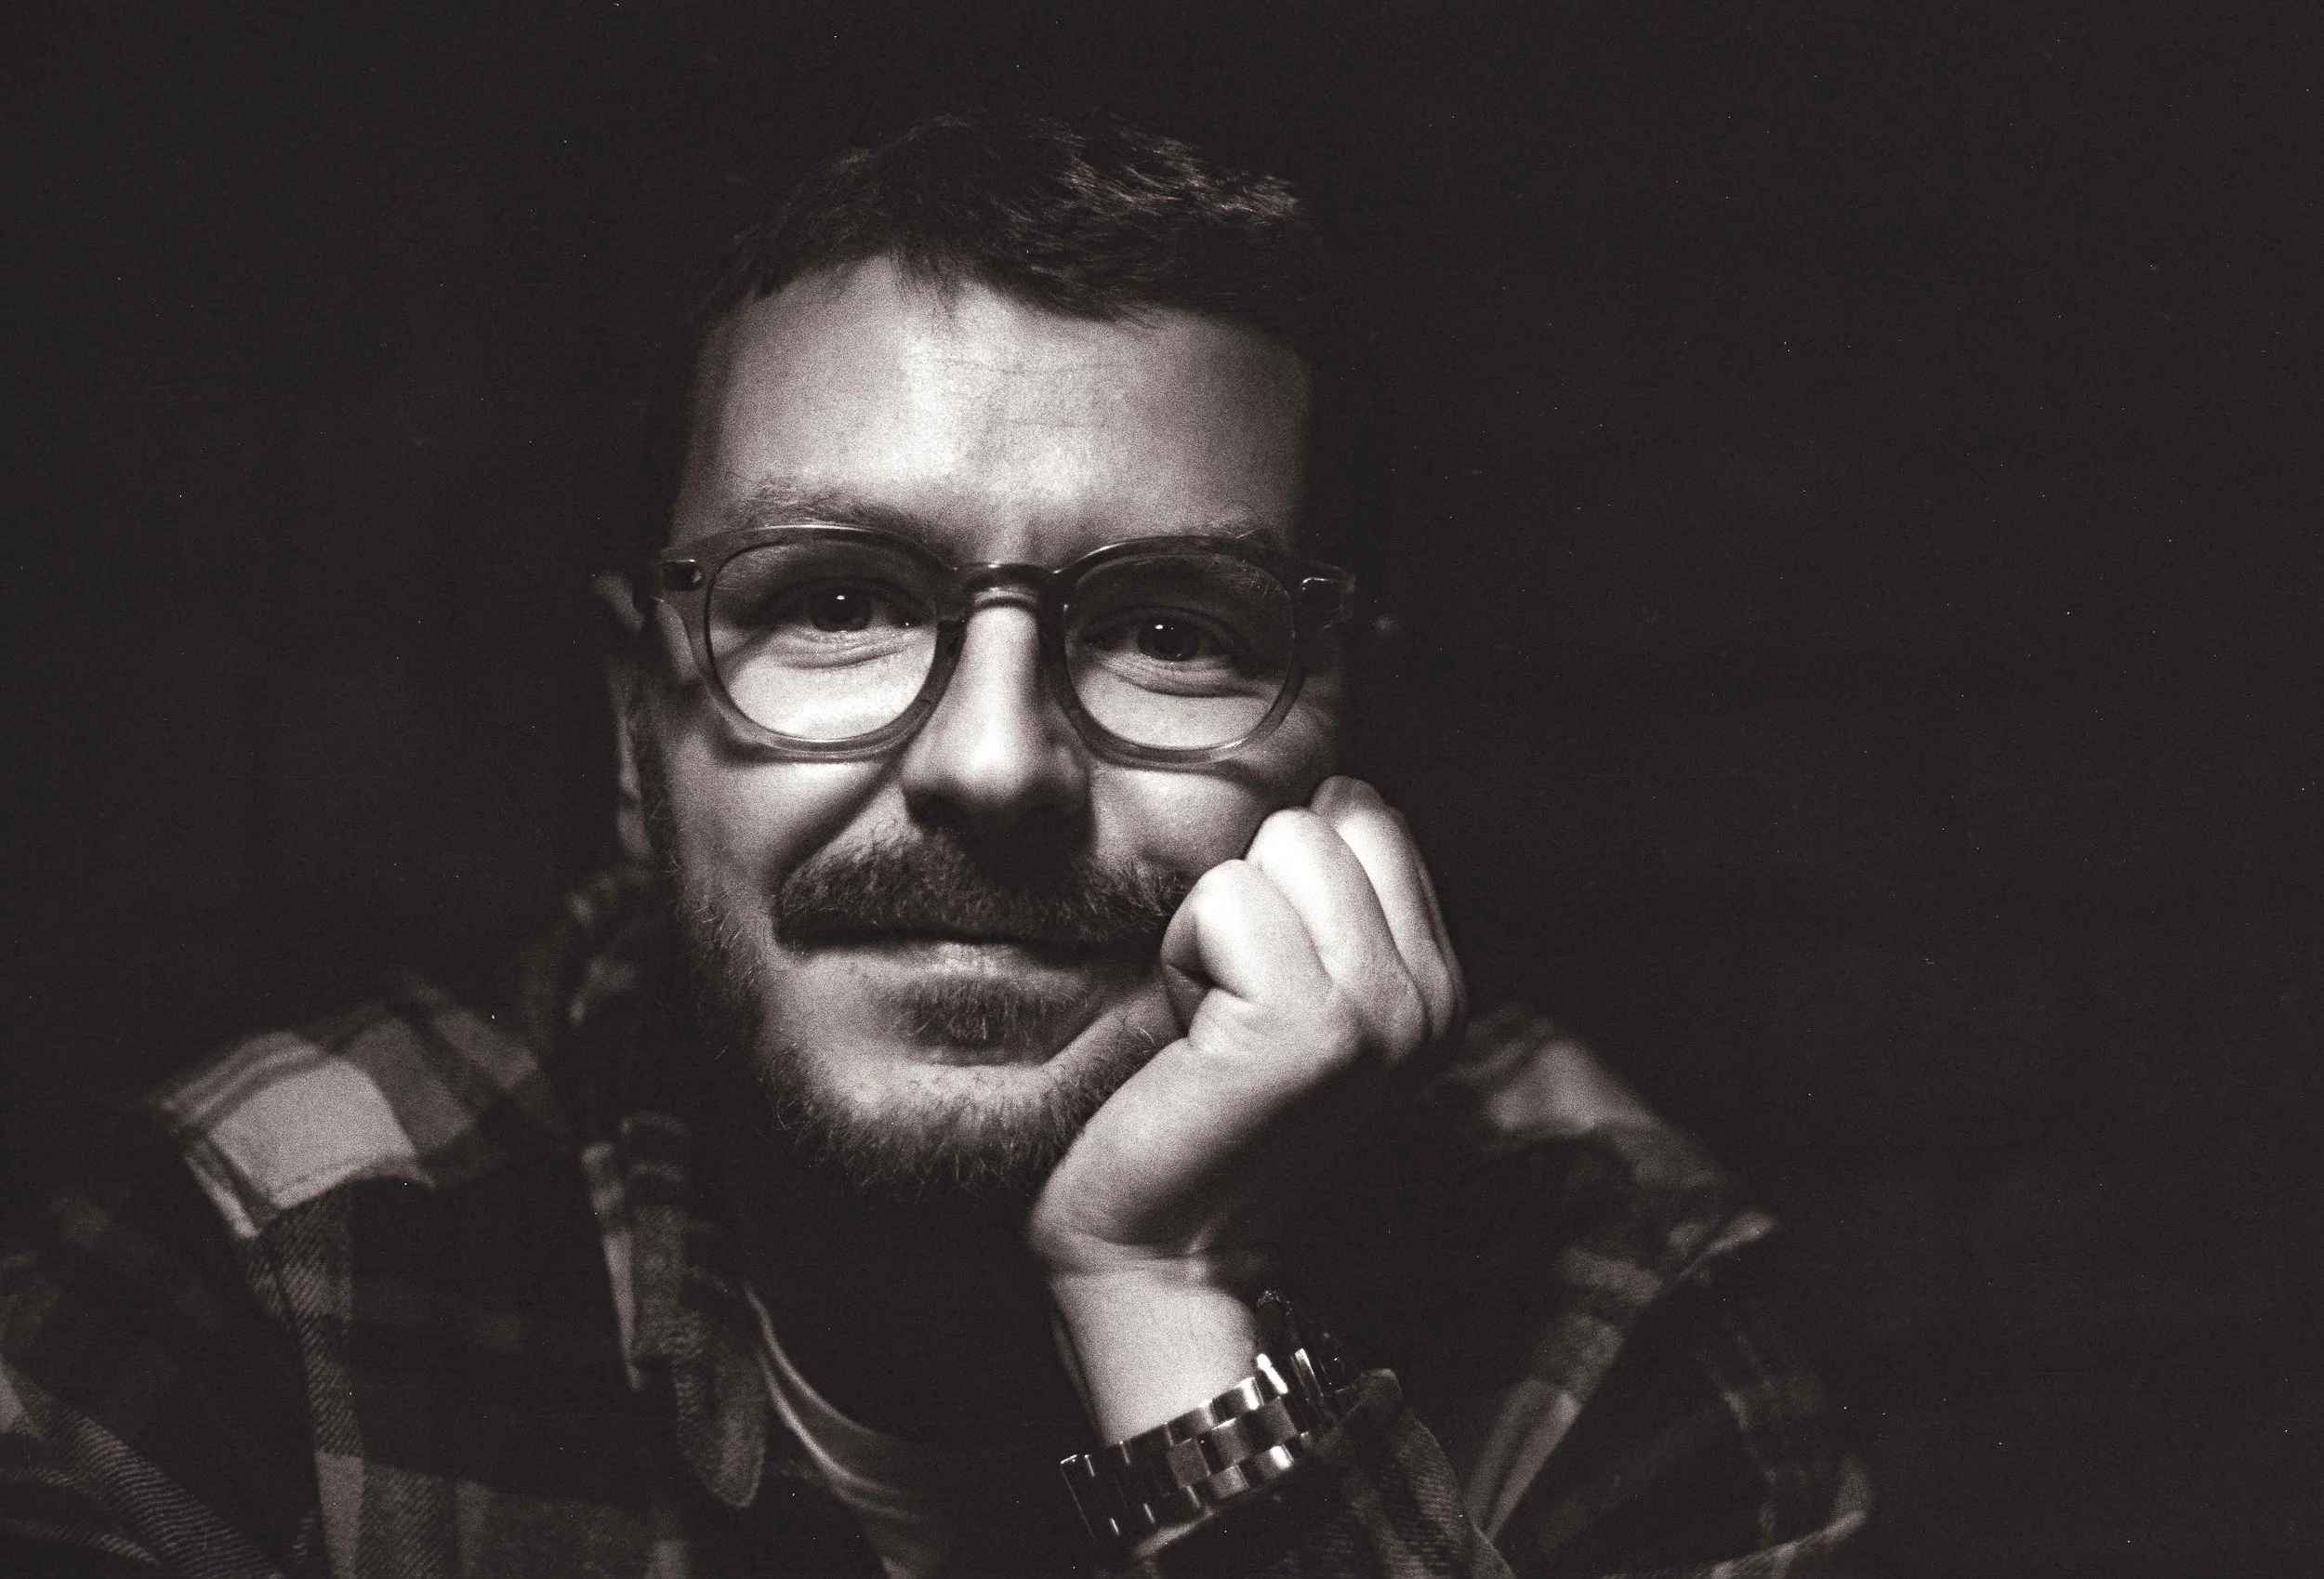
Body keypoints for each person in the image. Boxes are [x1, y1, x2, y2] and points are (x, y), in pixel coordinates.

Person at [0, 112, 1868, 1578]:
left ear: (1341, 739)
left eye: (1166, 627)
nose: (991, 762)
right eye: (834, 599)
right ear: (635, 739)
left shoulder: (1603, 1299)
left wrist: (1172, 1305)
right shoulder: (263, 1271)